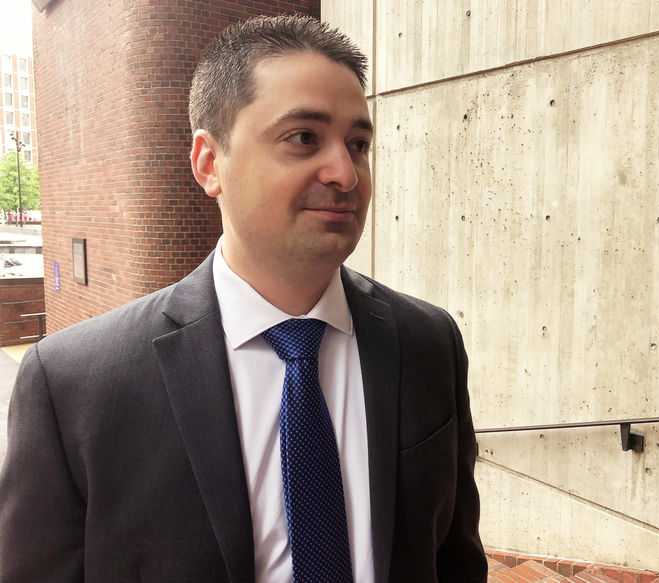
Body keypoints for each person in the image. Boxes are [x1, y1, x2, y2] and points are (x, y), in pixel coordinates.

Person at [0, 14, 487, 583]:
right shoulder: (75, 383)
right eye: (304, 137)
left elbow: (455, 558)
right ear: (210, 163)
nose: (346, 173)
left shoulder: (429, 342)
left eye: (358, 143)